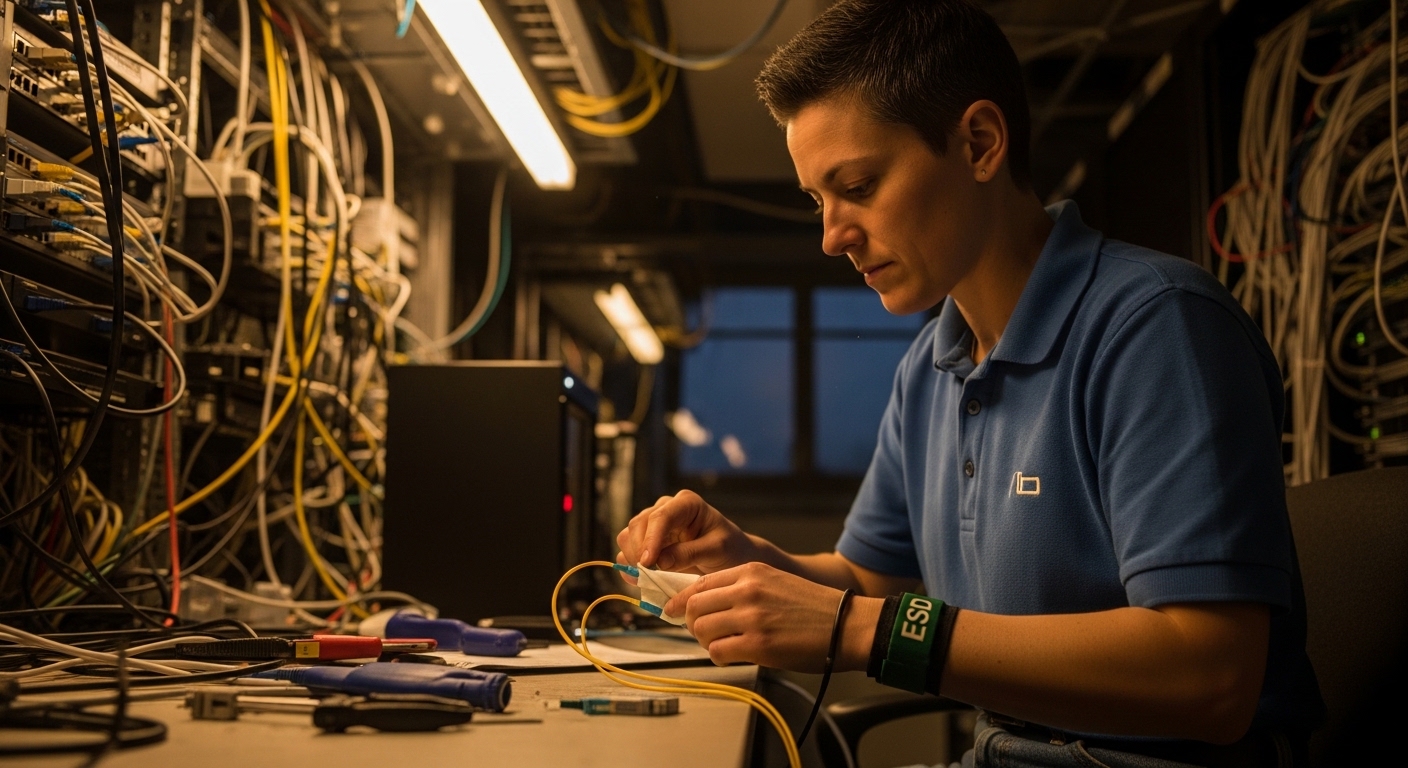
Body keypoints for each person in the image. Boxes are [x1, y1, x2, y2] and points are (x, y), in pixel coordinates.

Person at [615, 1, 1325, 766]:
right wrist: (749, 565)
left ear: (980, 144)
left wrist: (856, 632)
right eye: (818, 201)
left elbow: (1210, 676)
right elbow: (864, 577)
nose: (832, 236)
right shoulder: (929, 368)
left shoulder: (1156, 328)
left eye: (858, 185)